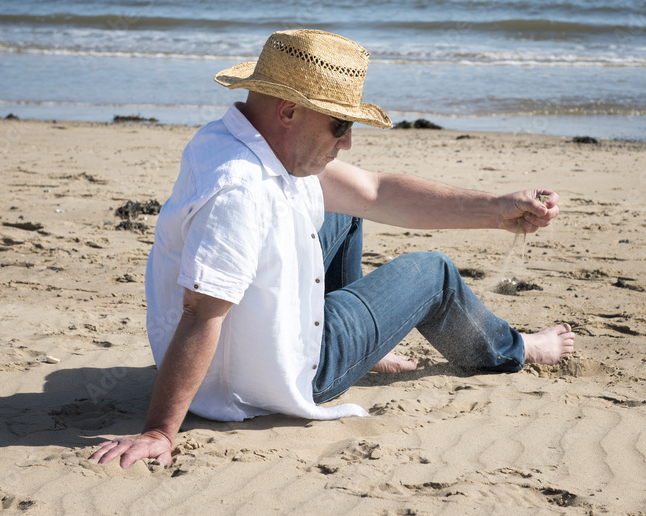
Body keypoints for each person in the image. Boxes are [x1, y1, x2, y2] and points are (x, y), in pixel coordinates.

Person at [91, 29, 574, 469]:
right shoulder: (240, 191)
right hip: (274, 375)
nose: (346, 142)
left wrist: (497, 208)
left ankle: (367, 348)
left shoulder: (229, 138)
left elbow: (376, 191)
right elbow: (201, 312)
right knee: (434, 272)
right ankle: (514, 349)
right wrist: (158, 431)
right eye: (340, 124)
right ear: (288, 111)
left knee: (343, 209)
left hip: (248, 348)